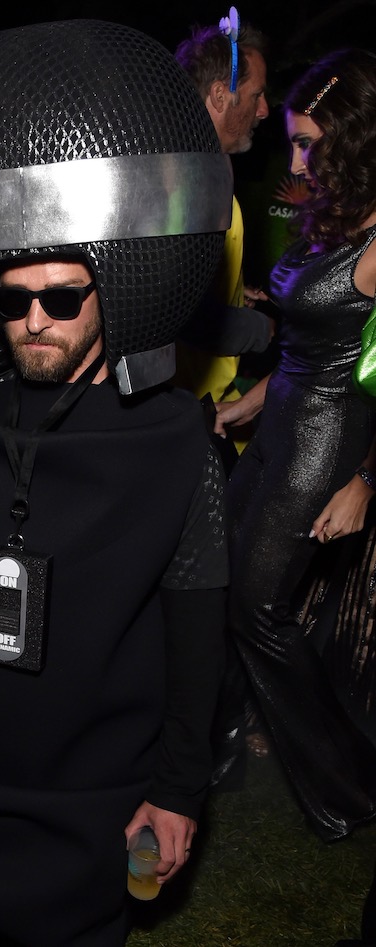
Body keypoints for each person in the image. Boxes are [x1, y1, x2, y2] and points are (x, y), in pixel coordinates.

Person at [0, 21, 230, 946]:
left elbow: (197, 632)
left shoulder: (176, 442)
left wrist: (179, 790)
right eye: (13, 298)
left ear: (115, 292)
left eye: (63, 298)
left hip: (96, 784)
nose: (35, 321)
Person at [215, 47, 376, 841]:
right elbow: (307, 335)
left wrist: (368, 482)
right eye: (294, 140)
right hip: (282, 415)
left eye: (312, 143)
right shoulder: (333, 211)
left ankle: (346, 787)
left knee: (260, 609)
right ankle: (217, 750)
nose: (298, 158)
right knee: (222, 580)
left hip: (327, 438)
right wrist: (252, 395)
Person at [173, 15, 273, 412]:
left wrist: (232, 290)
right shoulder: (187, 178)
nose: (264, 109)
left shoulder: (216, 164)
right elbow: (176, 309)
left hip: (209, 395)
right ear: (220, 96)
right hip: (188, 403)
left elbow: (193, 272)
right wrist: (258, 330)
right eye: (256, 95)